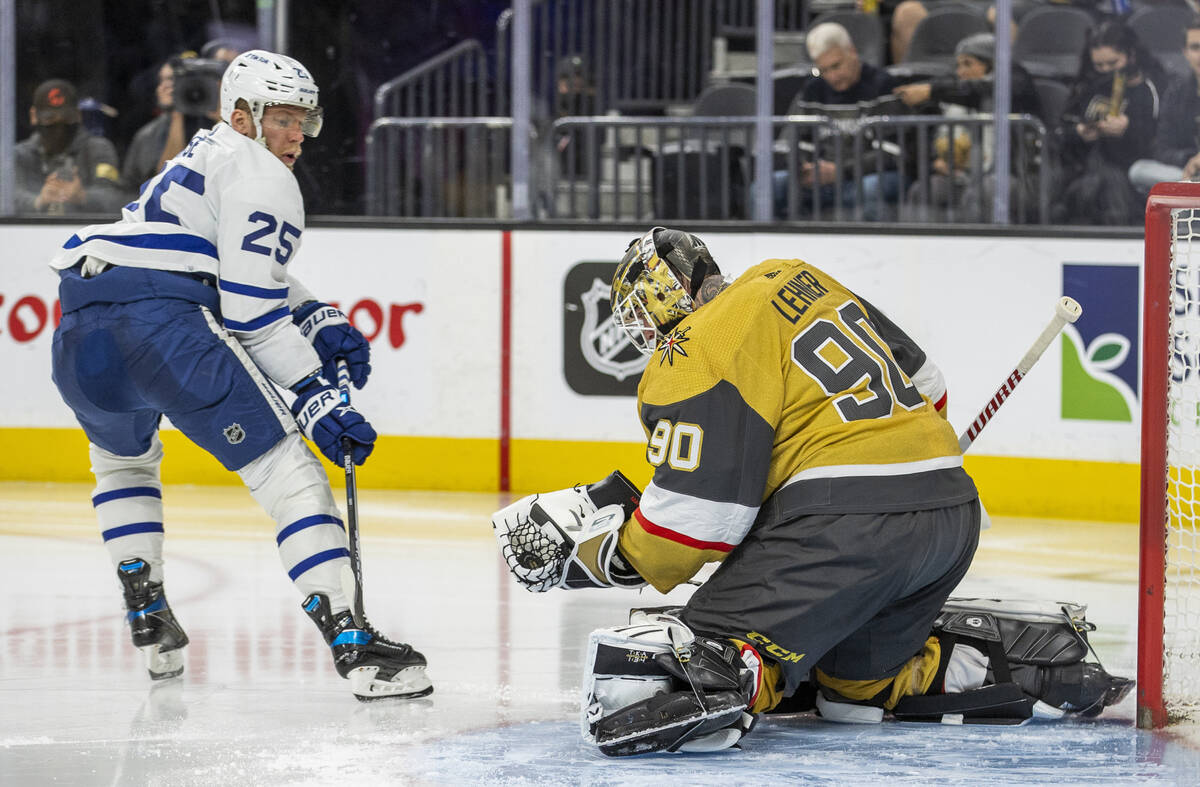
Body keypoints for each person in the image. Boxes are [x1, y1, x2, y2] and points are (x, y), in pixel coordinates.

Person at [492, 227, 1132, 755]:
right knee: (850, 693)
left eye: (639, 316)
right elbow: (929, 387)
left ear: (662, 300)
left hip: (843, 528)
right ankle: (1017, 660)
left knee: (685, 665)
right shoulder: (793, 274)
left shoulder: (695, 347)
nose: (642, 334)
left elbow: (692, 525)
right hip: (951, 513)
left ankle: (741, 670)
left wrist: (592, 557)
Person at [48, 50, 431, 701]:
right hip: (160, 327)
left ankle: (147, 609)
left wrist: (314, 313)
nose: (295, 136)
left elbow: (223, 261)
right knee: (290, 471)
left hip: (78, 332)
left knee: (122, 464)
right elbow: (251, 312)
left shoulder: (200, 155)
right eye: (282, 117)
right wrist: (314, 395)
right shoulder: (263, 174)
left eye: (303, 121)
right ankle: (354, 643)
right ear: (243, 113)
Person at [892, 32, 1043, 222]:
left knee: (983, 191)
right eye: (959, 65)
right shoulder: (957, 92)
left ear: (991, 63)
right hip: (965, 174)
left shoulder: (1015, 80)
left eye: (968, 64)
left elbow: (983, 91)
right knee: (923, 190)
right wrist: (937, 161)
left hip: (1016, 175)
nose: (960, 72)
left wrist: (932, 91)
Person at [775, 22, 907, 221]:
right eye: (823, 70)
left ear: (852, 51)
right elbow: (799, 143)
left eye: (836, 66)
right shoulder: (813, 89)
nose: (832, 77)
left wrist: (840, 171)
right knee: (771, 186)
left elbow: (890, 154)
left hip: (865, 176)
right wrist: (803, 167)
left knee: (871, 188)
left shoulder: (883, 85)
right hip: (824, 178)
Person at [1055, 19, 1164, 225]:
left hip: (1130, 177)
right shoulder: (1088, 87)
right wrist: (1079, 133)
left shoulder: (1152, 89)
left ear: (1131, 55)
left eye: (1113, 63)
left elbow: (1159, 142)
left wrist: (1127, 131)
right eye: (1099, 65)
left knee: (1110, 186)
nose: (1105, 70)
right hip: (1086, 171)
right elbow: (1062, 130)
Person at [15, 79, 126, 215]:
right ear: (34, 116)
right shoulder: (20, 155)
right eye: (49, 119)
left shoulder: (98, 149)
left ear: (78, 115)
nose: (59, 126)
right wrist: (38, 201)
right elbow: (6, 196)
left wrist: (83, 197)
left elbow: (116, 198)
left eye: (66, 118)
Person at [1128, 17, 1200, 194]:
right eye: (1195, 47)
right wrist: (1189, 159)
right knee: (1139, 170)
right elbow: (1162, 149)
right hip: (1186, 173)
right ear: (1185, 52)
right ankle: (1192, 184)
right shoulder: (1176, 93)